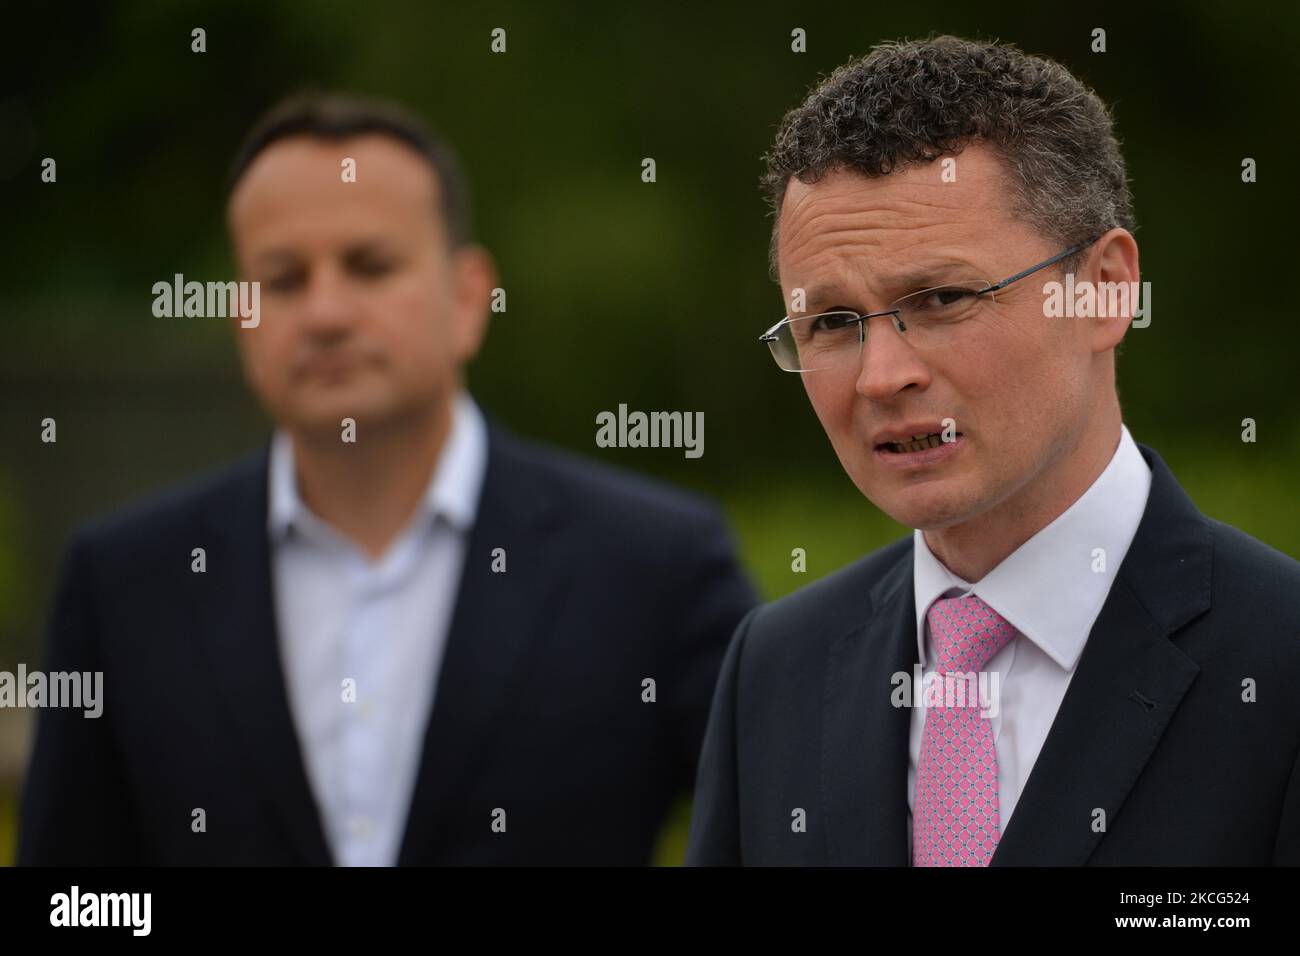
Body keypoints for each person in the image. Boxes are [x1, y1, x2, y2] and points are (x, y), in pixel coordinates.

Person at [20, 92, 757, 866]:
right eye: (283, 279)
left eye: (370, 266)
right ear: (241, 316)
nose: (327, 312)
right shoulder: (125, 582)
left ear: (469, 298)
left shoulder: (652, 566)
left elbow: (782, 825)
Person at [686, 36, 1300, 866]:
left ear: (1106, 289)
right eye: (831, 323)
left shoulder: (1279, 658)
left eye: (941, 298)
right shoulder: (774, 669)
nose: (881, 376)